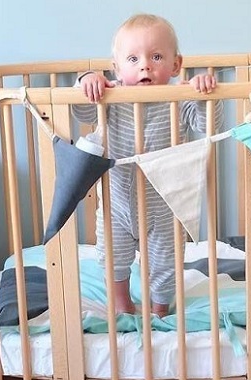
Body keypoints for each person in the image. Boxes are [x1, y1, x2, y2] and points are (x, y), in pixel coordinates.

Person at [73, 13, 222, 317]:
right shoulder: (111, 96)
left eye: (156, 56)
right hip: (118, 201)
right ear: (116, 68)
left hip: (166, 202)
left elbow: (209, 126)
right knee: (113, 255)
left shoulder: (180, 99)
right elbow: (82, 113)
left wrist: (205, 94)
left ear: (176, 64)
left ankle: (160, 309)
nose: (145, 65)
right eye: (132, 58)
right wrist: (86, 81)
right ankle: (122, 303)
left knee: (166, 260)